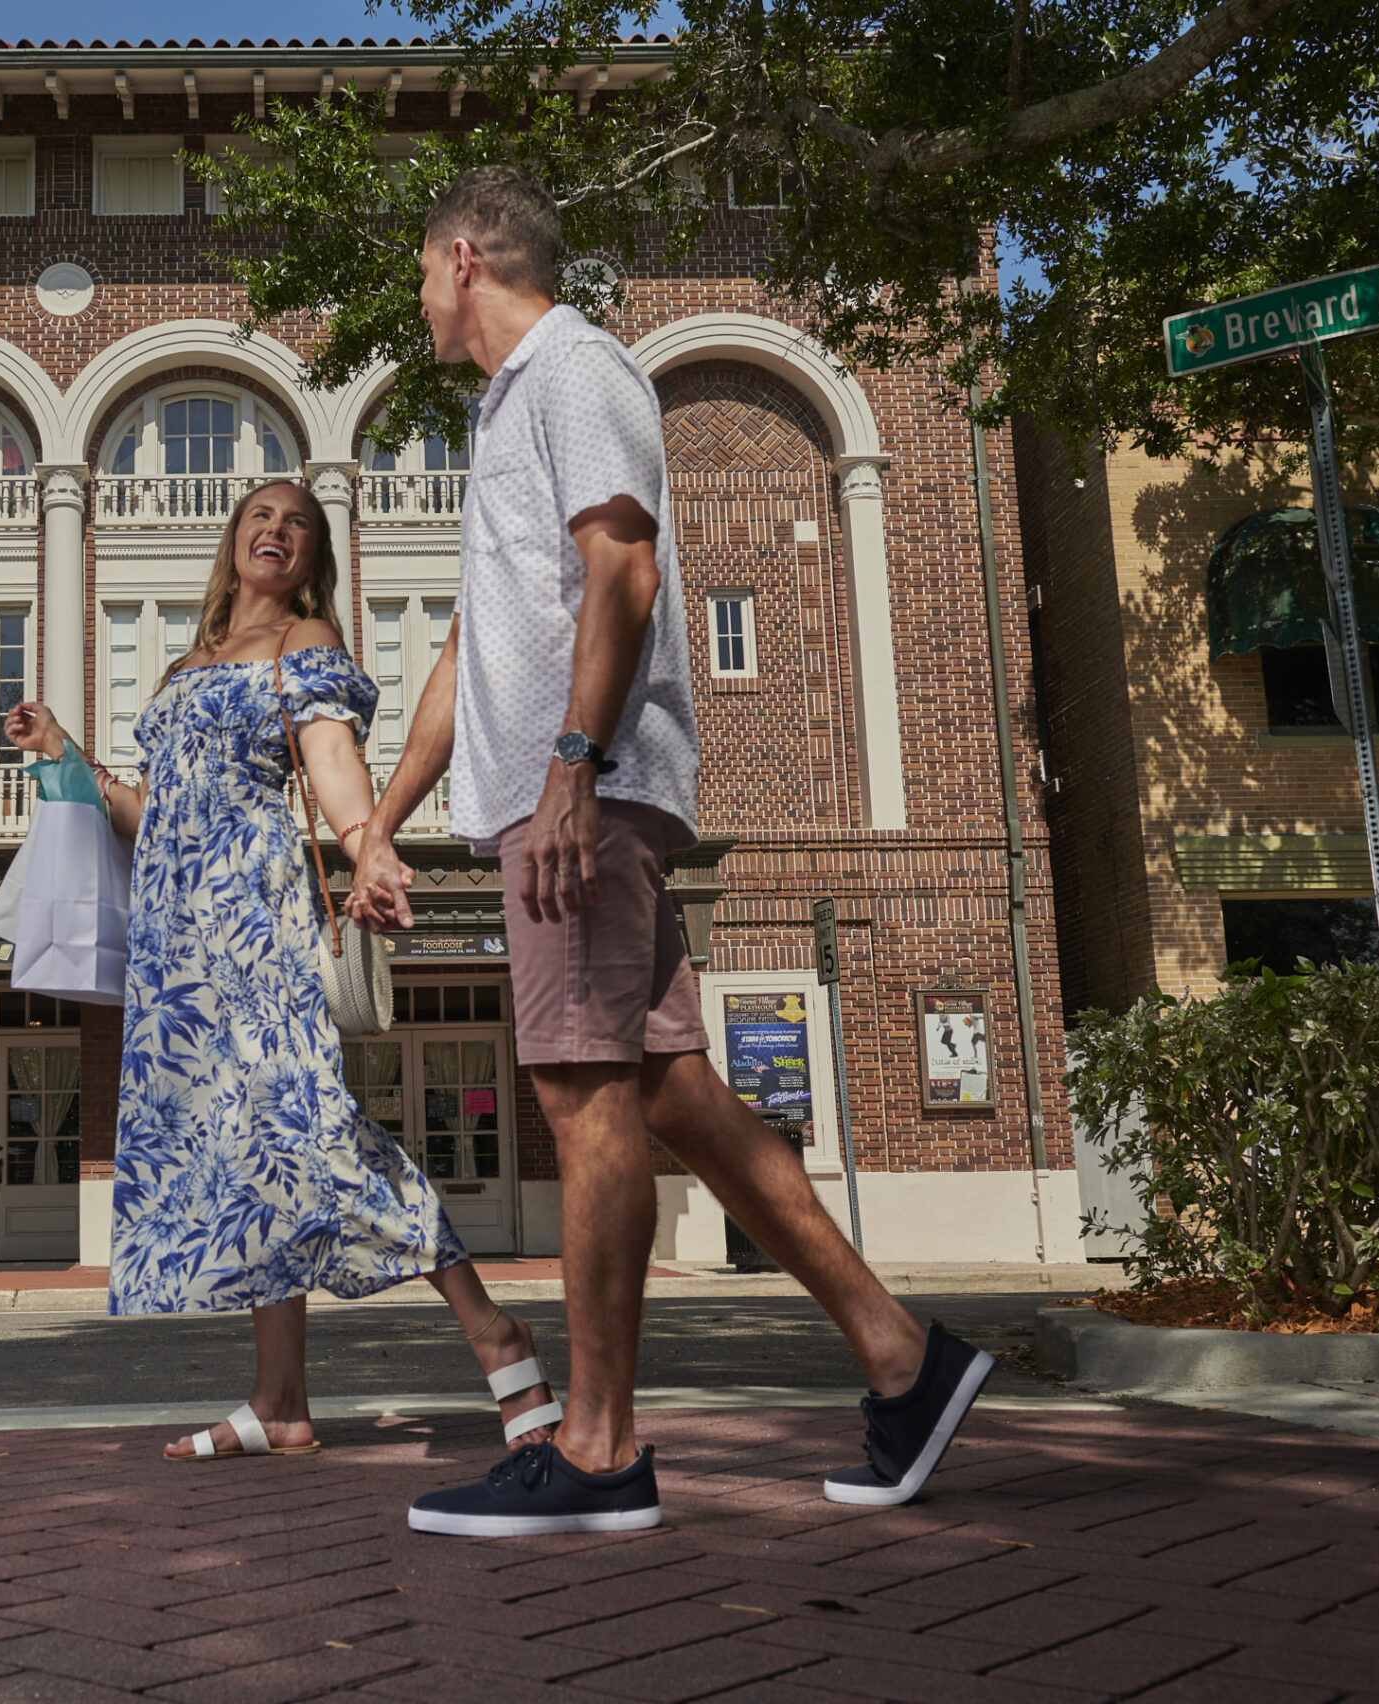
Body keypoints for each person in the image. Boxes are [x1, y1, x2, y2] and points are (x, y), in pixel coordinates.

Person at [349, 165, 994, 1534]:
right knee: (673, 1095)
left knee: (583, 1102)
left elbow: (625, 571)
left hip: (579, 796)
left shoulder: (577, 369)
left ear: (465, 256)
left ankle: (597, 1449)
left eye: (419, 268)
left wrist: (573, 771)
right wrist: (380, 823)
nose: (416, 296)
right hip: (555, 791)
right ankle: (903, 1357)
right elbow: (474, 655)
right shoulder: (511, 408)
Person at [4, 476, 565, 1461]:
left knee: (308, 1133)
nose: (278, 528)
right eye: (262, 514)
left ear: (313, 558)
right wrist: (64, 755)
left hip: (254, 923)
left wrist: (367, 843)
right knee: (245, 1157)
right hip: (175, 947)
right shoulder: (188, 665)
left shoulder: (302, 646)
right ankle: (279, 1403)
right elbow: (153, 817)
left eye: (298, 523)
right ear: (231, 540)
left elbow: (329, 754)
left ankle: (494, 1334)